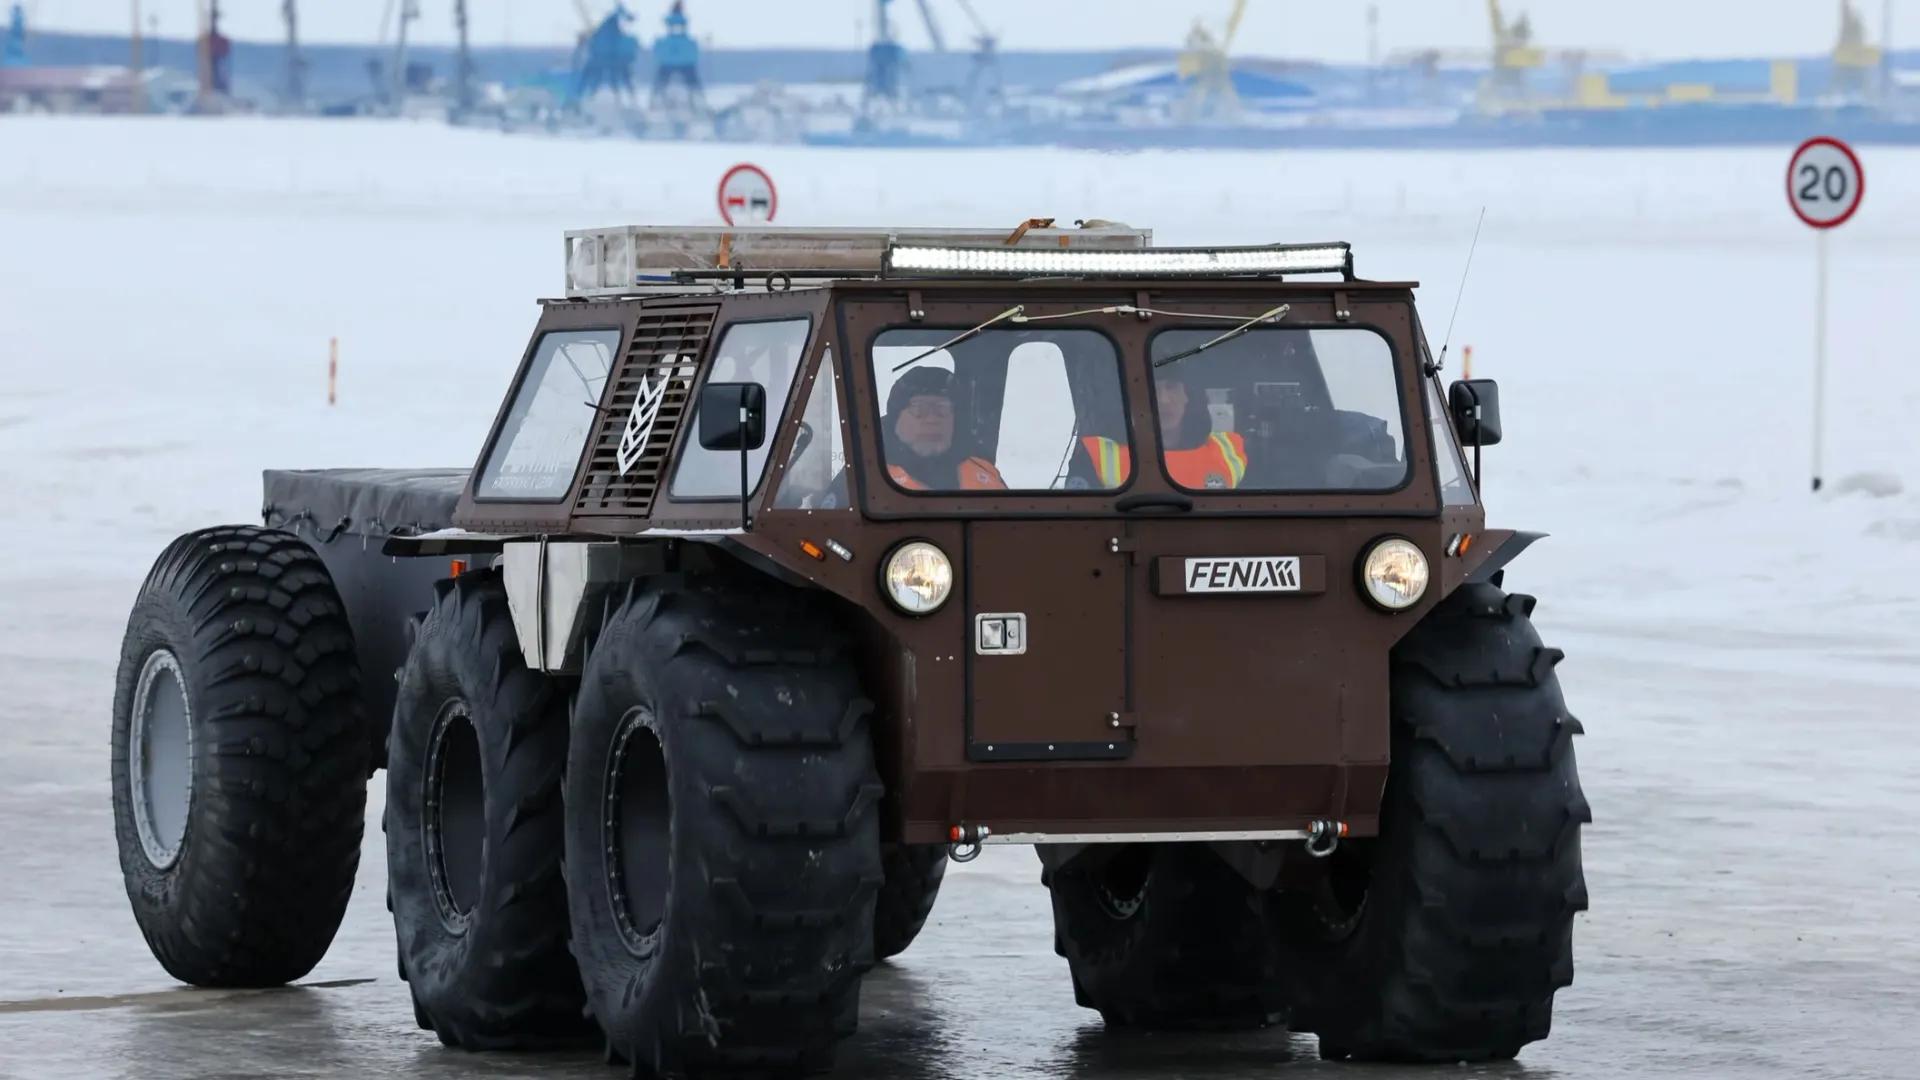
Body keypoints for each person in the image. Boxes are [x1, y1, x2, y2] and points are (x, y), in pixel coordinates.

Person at [1074, 374, 1247, 490]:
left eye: (1172, 387)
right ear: (1130, 400)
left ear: (1187, 396)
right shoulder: (1093, 456)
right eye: (1151, 389)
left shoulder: (1230, 452)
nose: (1163, 400)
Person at [883, 367, 1006, 491]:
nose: (932, 419)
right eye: (919, 408)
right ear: (895, 419)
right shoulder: (875, 478)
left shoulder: (986, 473)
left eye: (942, 408)